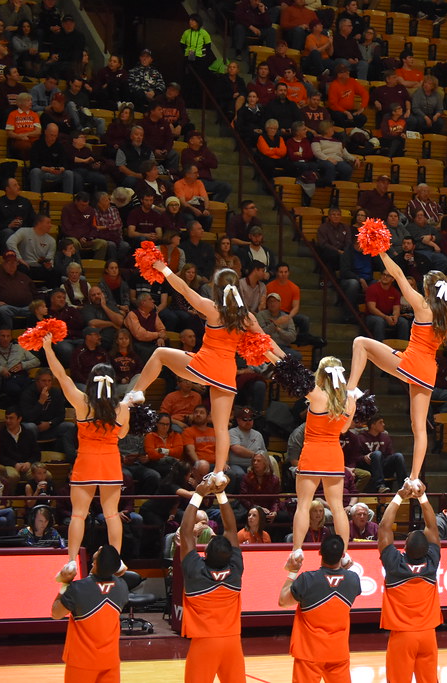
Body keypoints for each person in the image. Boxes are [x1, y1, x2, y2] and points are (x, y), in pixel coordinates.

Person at [346, 253, 447, 491]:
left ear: (427, 288)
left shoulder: (422, 305)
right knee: (419, 428)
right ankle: (414, 477)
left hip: (410, 362)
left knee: (361, 343)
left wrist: (382, 251)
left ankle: (351, 390)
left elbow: (398, 274)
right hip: (427, 371)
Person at [131, 266, 284, 480]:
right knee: (221, 427)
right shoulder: (247, 318)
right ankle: (219, 472)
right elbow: (268, 343)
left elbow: (183, 289)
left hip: (205, 364)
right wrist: (287, 362)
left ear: (216, 289)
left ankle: (137, 392)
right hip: (226, 373)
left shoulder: (212, 309)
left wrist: (163, 268)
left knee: (159, 354)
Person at [41, 334, 130, 577]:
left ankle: (71, 562)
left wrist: (48, 348)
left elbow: (61, 375)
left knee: (78, 513)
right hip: (110, 462)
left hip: (86, 462)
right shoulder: (121, 409)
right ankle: (117, 561)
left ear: (91, 381)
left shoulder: (82, 403)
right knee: (112, 513)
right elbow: (123, 437)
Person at [290, 357, 356, 566]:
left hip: (312, 453)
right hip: (334, 455)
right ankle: (344, 553)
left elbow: (294, 376)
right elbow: (344, 429)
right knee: (338, 507)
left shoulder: (317, 395)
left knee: (303, 505)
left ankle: (297, 551)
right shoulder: (349, 401)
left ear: (320, 375)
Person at [180, 476, 245, 683]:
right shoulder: (235, 571)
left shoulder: (196, 572)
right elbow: (231, 530)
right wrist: (221, 493)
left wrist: (198, 494)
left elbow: (186, 533)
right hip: (232, 641)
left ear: (205, 555)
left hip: (204, 642)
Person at [378, 480, 441, 683]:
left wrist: (399, 496)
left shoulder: (395, 565)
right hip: (428, 636)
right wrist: (422, 496)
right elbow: (432, 527)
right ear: (427, 549)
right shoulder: (432, 563)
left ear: (404, 547)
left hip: (403, 636)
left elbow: (384, 528)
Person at [278, 533, 361, 683]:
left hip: (309, 653)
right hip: (338, 653)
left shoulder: (307, 579)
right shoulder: (353, 580)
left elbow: (283, 601)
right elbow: (344, 577)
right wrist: (346, 567)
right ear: (342, 555)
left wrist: (293, 571)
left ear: (320, 552)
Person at [51, 545, 128, 683]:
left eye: (100, 550)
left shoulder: (78, 588)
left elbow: (56, 613)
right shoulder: (122, 587)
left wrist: (64, 584)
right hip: (110, 661)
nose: (99, 547)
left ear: (95, 563)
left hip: (82, 662)